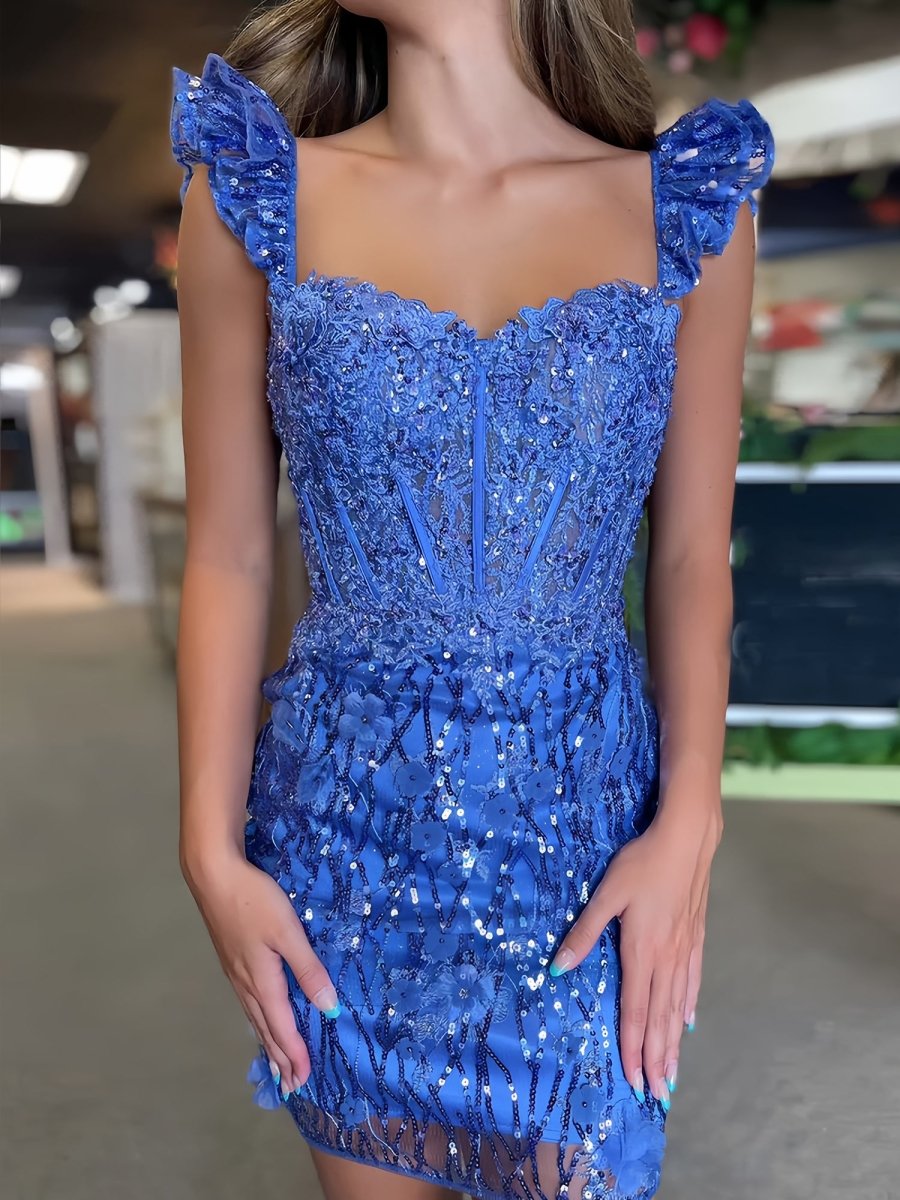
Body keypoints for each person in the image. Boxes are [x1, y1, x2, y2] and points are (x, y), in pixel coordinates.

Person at [170, 2, 774, 1197]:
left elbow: (692, 559)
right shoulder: (252, 191)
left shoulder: (684, 205)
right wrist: (207, 849)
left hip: (582, 835)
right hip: (345, 842)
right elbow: (228, 555)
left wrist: (690, 822)